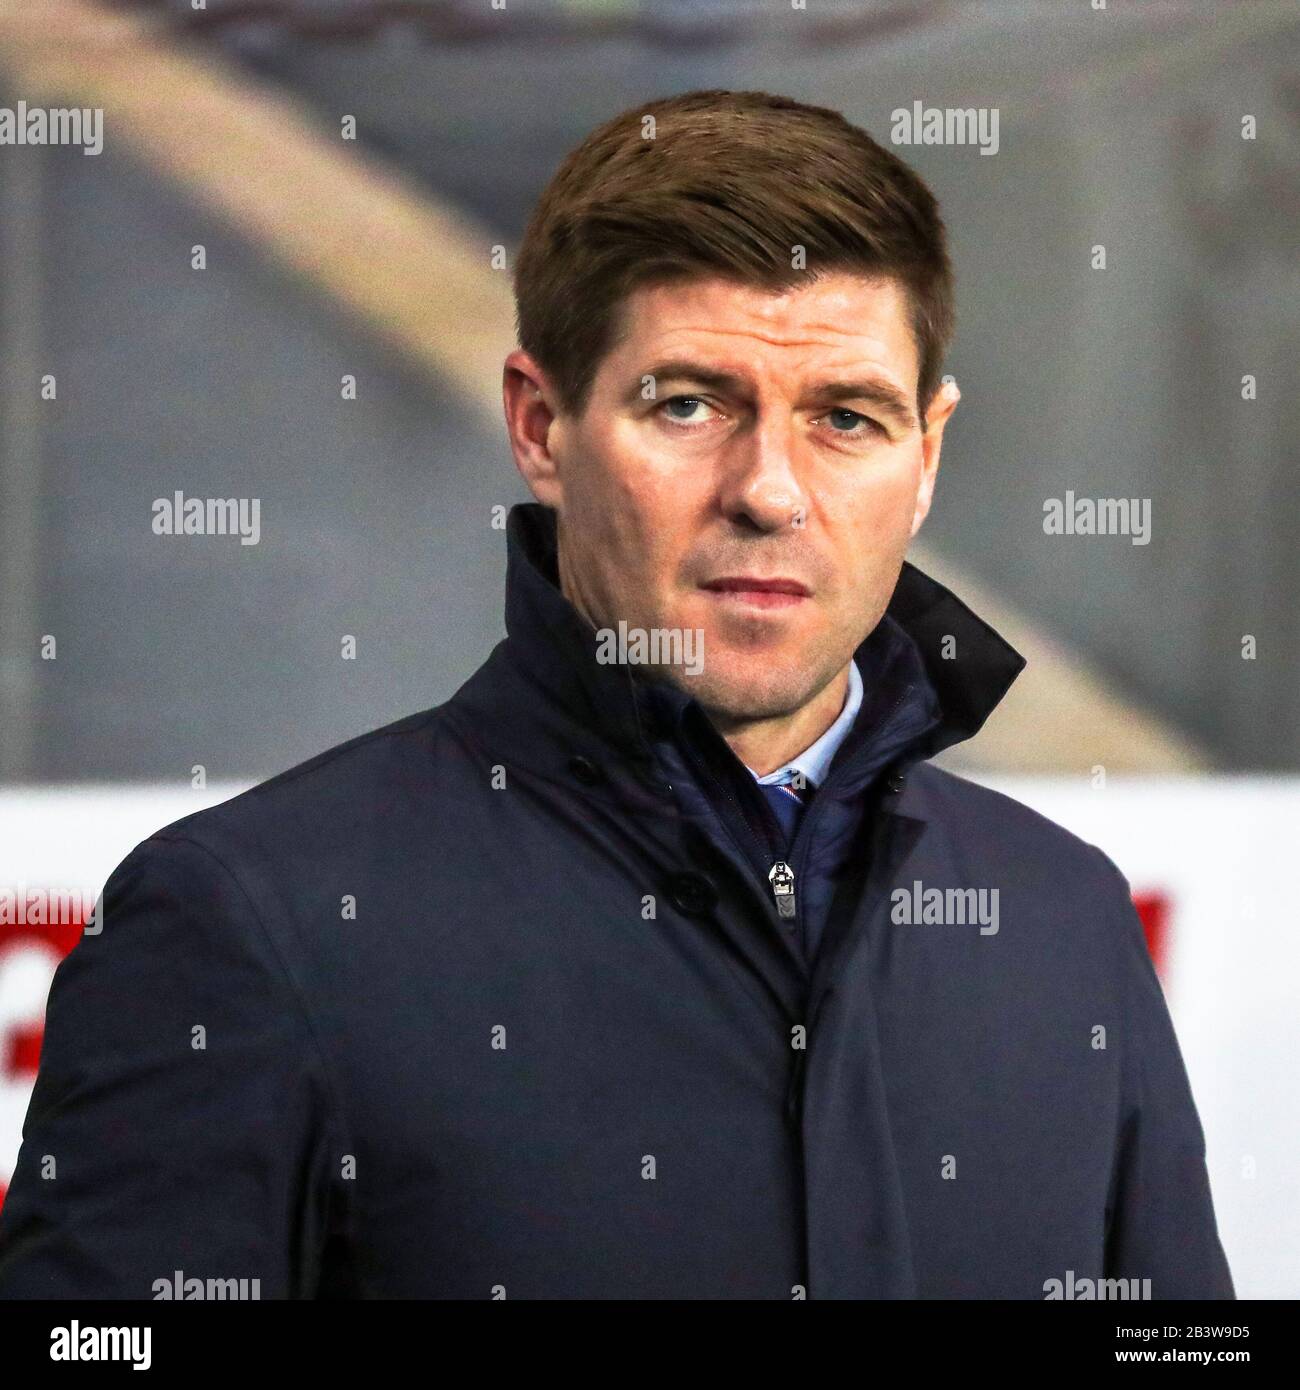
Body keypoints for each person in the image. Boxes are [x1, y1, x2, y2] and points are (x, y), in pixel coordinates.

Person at [0, 89, 1233, 1299]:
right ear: (540, 426)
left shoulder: (1061, 917)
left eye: (845, 418)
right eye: (689, 404)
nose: (769, 491)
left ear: (926, 456)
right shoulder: (245, 920)